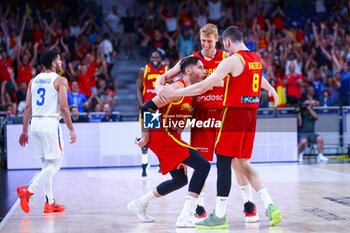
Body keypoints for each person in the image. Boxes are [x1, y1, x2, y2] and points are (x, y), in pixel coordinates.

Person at [159, 26, 282, 228]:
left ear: (221, 41)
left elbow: (204, 85)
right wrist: (160, 89)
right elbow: (162, 83)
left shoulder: (229, 59)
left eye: (210, 41)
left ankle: (224, 213)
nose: (206, 44)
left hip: (229, 114)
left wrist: (172, 96)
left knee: (226, 163)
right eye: (203, 41)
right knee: (231, 163)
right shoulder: (254, 58)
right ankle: (268, 206)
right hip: (227, 116)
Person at [128, 56, 210, 228]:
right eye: (201, 68)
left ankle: (140, 203)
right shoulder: (175, 88)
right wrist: (146, 137)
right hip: (161, 135)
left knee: (180, 180)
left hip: (171, 136)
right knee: (203, 165)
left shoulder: (189, 90)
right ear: (189, 71)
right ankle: (186, 216)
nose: (204, 71)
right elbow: (147, 107)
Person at [17, 50, 77, 214]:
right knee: (56, 164)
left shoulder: (33, 80)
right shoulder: (60, 80)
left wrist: (24, 130)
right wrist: (71, 129)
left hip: (35, 123)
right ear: (53, 63)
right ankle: (28, 190)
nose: (61, 62)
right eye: (59, 59)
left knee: (46, 165)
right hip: (50, 123)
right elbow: (64, 107)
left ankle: (49, 202)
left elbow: (27, 107)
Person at [136, 50, 168, 177]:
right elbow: (138, 87)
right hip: (149, 109)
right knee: (145, 139)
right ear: (150, 58)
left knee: (160, 138)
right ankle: (144, 166)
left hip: (161, 108)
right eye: (152, 56)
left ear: (161, 58)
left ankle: (161, 164)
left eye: (157, 56)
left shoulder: (166, 69)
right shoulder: (144, 70)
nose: (154, 58)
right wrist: (142, 103)